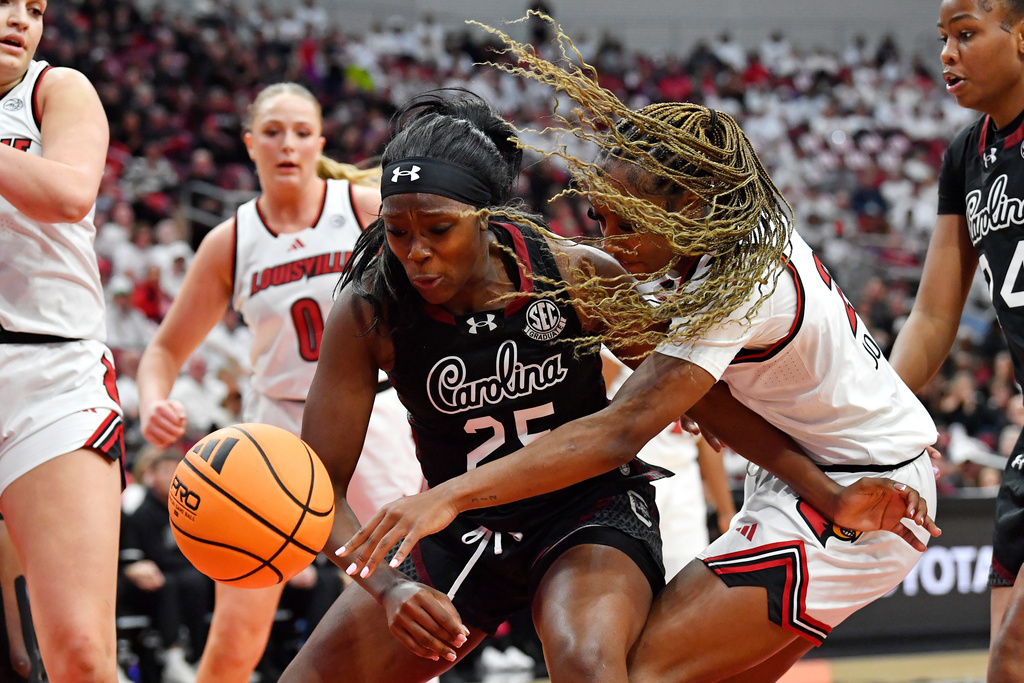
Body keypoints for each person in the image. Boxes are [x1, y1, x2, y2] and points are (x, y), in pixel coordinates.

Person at [337, 22, 942, 683]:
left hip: (861, 489)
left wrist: (444, 496)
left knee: (630, 670)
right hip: (823, 476)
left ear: (684, 203)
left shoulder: (737, 282)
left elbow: (620, 428)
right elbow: (708, 394)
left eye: (627, 222)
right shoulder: (728, 240)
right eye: (601, 220)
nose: (612, 243)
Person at [136, 82, 423, 683]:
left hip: (371, 416)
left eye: (299, 132)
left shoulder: (366, 207)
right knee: (238, 627)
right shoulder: (230, 241)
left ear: (319, 141)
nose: (286, 144)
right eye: (271, 132)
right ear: (249, 144)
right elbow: (163, 349)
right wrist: (152, 400)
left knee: (403, 599)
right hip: (276, 430)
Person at [888, 2, 1024, 680]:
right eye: (943, 38)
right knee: (1004, 665)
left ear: (1021, 34)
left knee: (1013, 653)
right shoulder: (966, 155)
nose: (947, 53)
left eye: (966, 35)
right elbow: (936, 319)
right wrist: (863, 409)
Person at [0, 1, 123, 682]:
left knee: (77, 653)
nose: (20, 18)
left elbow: (71, 193)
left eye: (36, 7)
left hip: (50, 378)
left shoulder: (56, 88)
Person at [118, 447, 213, 683]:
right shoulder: (142, 512)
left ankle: (204, 655)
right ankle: (174, 656)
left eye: (177, 471)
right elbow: (151, 557)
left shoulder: (191, 508)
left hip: (185, 574)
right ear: (151, 475)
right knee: (173, 583)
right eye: (166, 470)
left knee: (207, 580)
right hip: (156, 578)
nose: (172, 477)